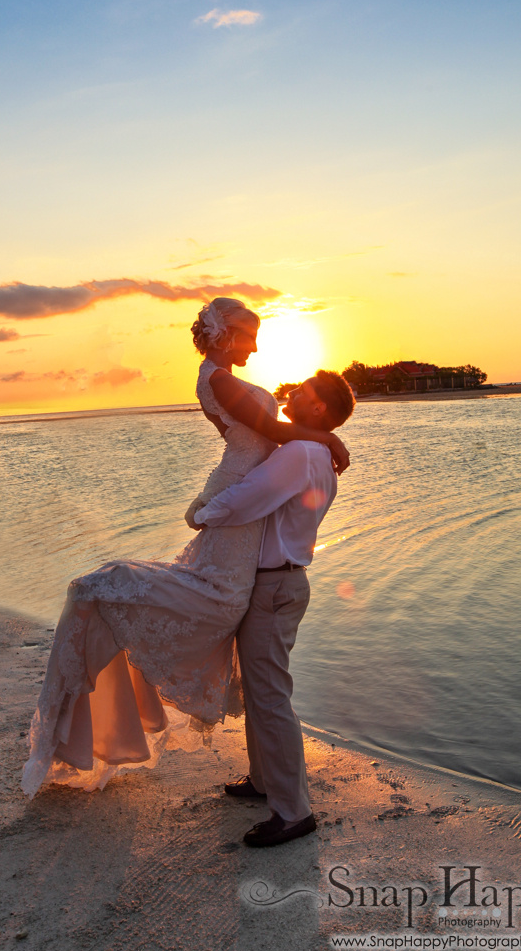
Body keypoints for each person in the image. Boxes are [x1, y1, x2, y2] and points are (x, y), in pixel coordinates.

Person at [21, 298, 349, 798]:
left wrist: (210, 507)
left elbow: (267, 448)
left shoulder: (294, 443)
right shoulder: (220, 383)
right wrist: (327, 441)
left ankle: (279, 793)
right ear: (227, 335)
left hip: (250, 537)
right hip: (242, 527)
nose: (258, 347)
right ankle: (268, 785)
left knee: (259, 680)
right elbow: (268, 435)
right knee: (252, 675)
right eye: (251, 335)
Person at [188, 372, 356, 846]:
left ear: (320, 409)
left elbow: (245, 498)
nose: (294, 394)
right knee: (261, 692)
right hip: (275, 583)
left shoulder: (301, 453)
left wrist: (201, 514)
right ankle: (264, 783)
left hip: (274, 586)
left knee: (269, 697)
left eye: (305, 392)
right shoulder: (314, 450)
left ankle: (293, 812)